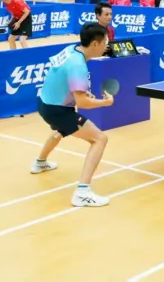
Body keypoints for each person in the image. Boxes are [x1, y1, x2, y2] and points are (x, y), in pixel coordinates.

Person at [32, 23, 115, 207]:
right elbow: (83, 103)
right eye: (105, 42)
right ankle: (82, 192)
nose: (106, 46)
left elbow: (59, 74)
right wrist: (104, 103)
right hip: (58, 110)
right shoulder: (78, 65)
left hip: (44, 102)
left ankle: (40, 163)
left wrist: (81, 92)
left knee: (60, 130)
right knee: (100, 139)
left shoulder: (72, 49)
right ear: (95, 44)